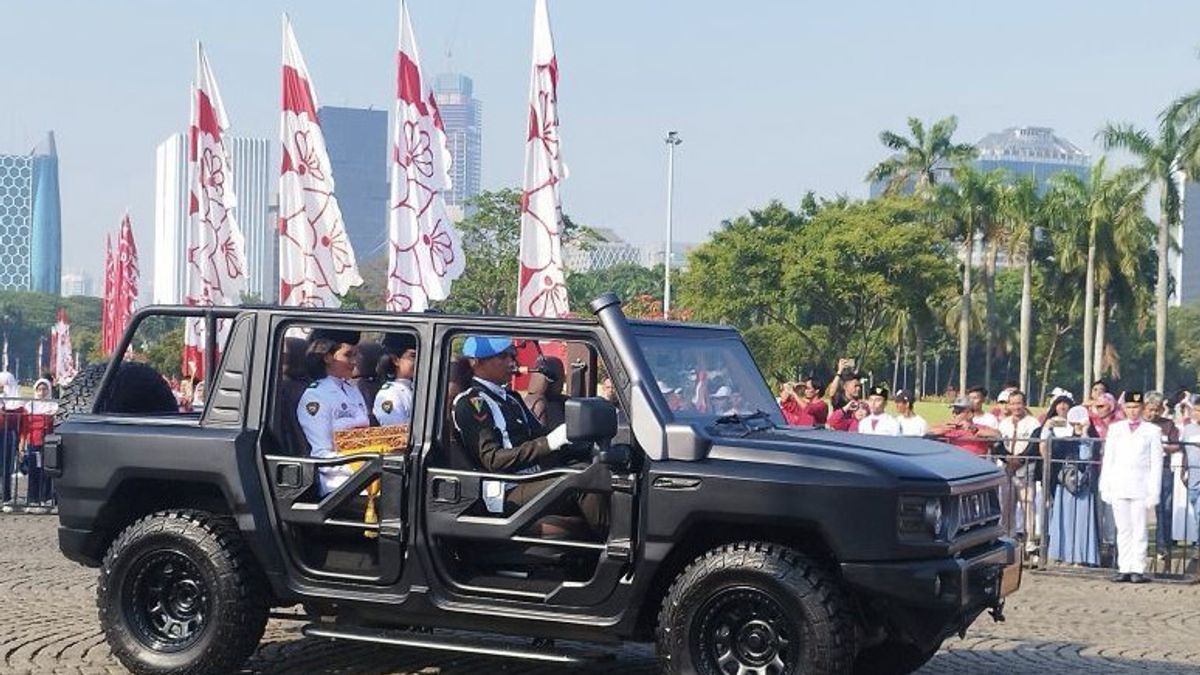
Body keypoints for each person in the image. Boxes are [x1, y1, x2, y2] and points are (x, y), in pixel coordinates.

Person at [451, 336, 605, 535]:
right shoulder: (472, 402)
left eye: (512, 355)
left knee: (595, 469)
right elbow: (492, 460)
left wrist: (587, 446)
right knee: (582, 480)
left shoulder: (512, 399)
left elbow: (540, 436)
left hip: (530, 479)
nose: (511, 362)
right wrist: (549, 443)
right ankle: (616, 550)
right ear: (476, 362)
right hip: (504, 490)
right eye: (502, 356)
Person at [296, 329, 372, 497]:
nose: (354, 361)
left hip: (367, 474)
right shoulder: (315, 396)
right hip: (339, 486)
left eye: (355, 355)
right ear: (327, 357)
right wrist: (360, 467)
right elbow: (321, 455)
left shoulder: (352, 390)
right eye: (348, 355)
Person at [1099, 392, 1163, 583]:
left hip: (1141, 485)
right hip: (1119, 484)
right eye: (1129, 407)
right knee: (1123, 528)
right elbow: (1109, 459)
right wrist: (1106, 485)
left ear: (1142, 408)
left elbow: (1156, 463)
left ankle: (1138, 567)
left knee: (1139, 528)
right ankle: (1124, 566)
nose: (1132, 411)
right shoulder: (1116, 429)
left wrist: (1154, 491)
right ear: (1124, 408)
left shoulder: (1152, 431)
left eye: (1136, 407)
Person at [1043, 404, 1101, 566]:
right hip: (1065, 485)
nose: (1076, 426)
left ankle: (1081, 557)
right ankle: (1064, 555)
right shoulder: (1064, 436)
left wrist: (1084, 432)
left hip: (1083, 485)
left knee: (1082, 522)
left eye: (1079, 423)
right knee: (1065, 520)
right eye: (1074, 423)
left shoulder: (1090, 437)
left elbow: (1085, 456)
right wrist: (1048, 428)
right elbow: (1048, 447)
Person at [998, 390, 1042, 546]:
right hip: (1006, 470)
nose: (1016, 407)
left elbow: (1034, 445)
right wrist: (1007, 458)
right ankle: (1007, 538)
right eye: (1013, 403)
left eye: (1019, 403)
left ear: (1024, 404)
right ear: (1009, 405)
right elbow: (998, 445)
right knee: (1006, 506)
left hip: (1025, 471)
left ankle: (1030, 540)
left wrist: (1020, 460)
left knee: (1028, 505)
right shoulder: (1003, 423)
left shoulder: (1033, 423)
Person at [1144, 392, 1181, 556]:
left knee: (1164, 508)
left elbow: (1176, 445)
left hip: (1163, 469)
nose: (1153, 413)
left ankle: (1162, 545)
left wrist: (1162, 447)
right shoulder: (1138, 425)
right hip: (1141, 469)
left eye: (1157, 410)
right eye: (1150, 409)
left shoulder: (1167, 424)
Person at [21, 379, 58, 514]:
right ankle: (33, 498)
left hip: (47, 442)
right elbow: (25, 427)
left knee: (46, 471)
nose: (42, 392)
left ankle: (46, 497)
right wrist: (22, 444)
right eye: (40, 389)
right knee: (33, 471)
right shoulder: (29, 406)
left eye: (45, 389)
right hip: (33, 442)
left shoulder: (53, 406)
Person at [274, 337, 312, 455]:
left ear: (296, 358)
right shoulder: (276, 387)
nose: (278, 360)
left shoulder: (311, 390)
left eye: (284, 356)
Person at [929, 397, 1000, 457]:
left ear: (970, 414)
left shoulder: (979, 428)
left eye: (958, 411)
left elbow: (997, 435)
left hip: (974, 465)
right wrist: (945, 429)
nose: (954, 414)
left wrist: (973, 429)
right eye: (953, 411)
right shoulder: (948, 426)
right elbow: (928, 432)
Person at [374, 334, 418, 427]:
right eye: (413, 356)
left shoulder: (416, 389)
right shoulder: (389, 394)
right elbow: (397, 434)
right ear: (395, 360)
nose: (418, 361)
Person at [1179, 395, 1200, 547]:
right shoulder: (1188, 429)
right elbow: (1184, 451)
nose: (1197, 413)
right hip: (1192, 476)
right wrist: (1183, 471)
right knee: (1195, 508)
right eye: (1196, 410)